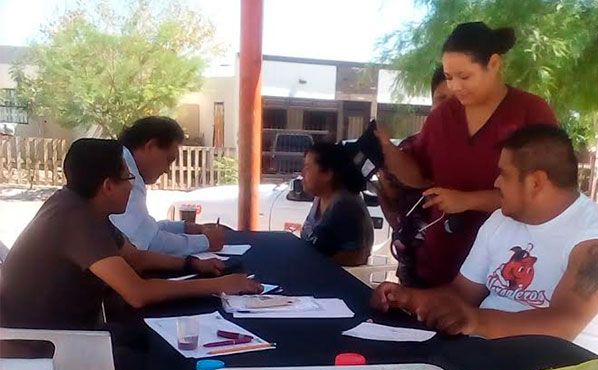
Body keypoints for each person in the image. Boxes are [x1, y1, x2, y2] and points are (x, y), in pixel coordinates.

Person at [371, 125, 598, 355]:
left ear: (536, 183)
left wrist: (476, 321)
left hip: (556, 367)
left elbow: (564, 325)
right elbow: (462, 293)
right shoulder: (501, 219)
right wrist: (408, 297)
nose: (496, 183)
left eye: (505, 174)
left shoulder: (593, 238)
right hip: (482, 354)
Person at [0, 139, 262, 331]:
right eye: (128, 179)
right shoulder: (77, 219)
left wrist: (193, 264)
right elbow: (137, 293)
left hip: (65, 330)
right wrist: (219, 285)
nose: (132, 187)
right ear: (108, 186)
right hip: (44, 345)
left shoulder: (77, 205)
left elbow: (134, 258)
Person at [375, 22, 558, 287]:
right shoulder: (443, 116)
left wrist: (468, 201)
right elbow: (418, 176)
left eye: (465, 76)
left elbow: (542, 194)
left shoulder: (530, 112)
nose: (455, 87)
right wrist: (386, 150)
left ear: (494, 64)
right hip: (440, 261)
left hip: (505, 268)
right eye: (449, 77)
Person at [376, 66, 453, 285]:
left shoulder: (481, 151)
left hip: (458, 276)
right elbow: (395, 207)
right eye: (441, 98)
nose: (448, 106)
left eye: (456, 99)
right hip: (411, 268)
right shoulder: (412, 146)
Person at [110, 116, 224, 257]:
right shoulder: (125, 175)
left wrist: (187, 228)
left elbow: (144, 229)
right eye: (169, 160)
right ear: (150, 146)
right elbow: (146, 243)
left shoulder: (123, 162)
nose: (167, 170)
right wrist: (206, 242)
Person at [300, 142, 374, 266]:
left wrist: (313, 265)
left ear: (327, 174)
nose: (302, 174)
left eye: (308, 168)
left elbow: (357, 256)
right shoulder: (321, 198)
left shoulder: (345, 205)